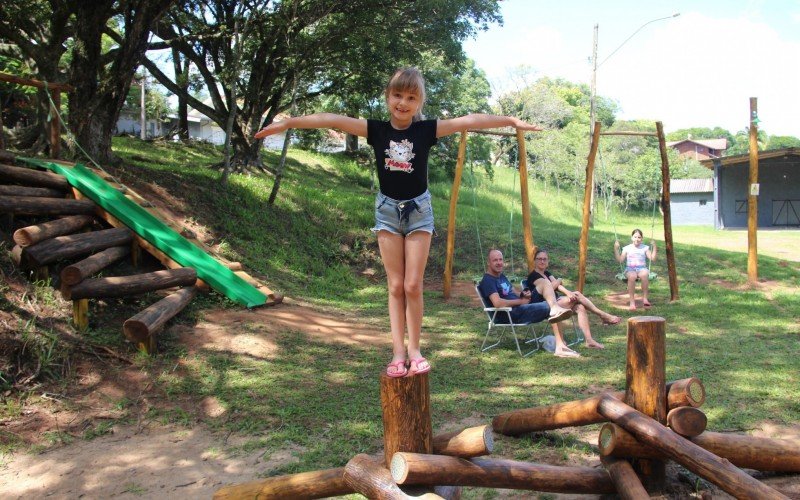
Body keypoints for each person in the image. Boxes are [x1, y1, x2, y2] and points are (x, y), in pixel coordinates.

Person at [255, 67, 541, 378]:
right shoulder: (376, 130)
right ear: (387, 97)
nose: (402, 103)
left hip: (419, 210)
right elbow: (332, 119)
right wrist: (289, 123)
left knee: (412, 285)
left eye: (411, 97)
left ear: (419, 103)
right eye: (397, 95)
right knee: (394, 286)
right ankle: (397, 352)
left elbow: (469, 120)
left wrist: (510, 121)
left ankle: (415, 349)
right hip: (387, 211)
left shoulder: (425, 131)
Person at [478, 249, 577, 358]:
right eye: (495, 260)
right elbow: (497, 303)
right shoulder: (488, 280)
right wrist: (520, 301)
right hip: (511, 314)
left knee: (545, 283)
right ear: (488, 262)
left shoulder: (501, 276)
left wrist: (524, 294)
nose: (499, 262)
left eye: (500, 259)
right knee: (555, 306)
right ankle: (560, 347)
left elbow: (514, 292)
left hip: (521, 306)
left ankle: (560, 341)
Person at [527, 249, 621, 350]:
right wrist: (559, 280)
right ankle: (603, 315)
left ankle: (589, 340)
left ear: (548, 261)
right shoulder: (533, 276)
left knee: (580, 306)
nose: (542, 261)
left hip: (556, 301)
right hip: (543, 306)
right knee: (577, 295)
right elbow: (551, 286)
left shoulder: (547, 273)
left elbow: (558, 286)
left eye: (544, 259)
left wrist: (568, 293)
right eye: (539, 259)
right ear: (535, 261)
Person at [614, 229, 657, 310]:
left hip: (642, 268)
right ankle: (632, 302)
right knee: (632, 276)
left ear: (642, 238)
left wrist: (654, 247)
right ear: (632, 238)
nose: (637, 239)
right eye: (635, 237)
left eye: (639, 237)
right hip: (630, 269)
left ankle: (645, 298)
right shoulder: (627, 248)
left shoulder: (645, 248)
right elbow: (620, 260)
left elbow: (652, 258)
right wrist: (616, 249)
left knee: (644, 275)